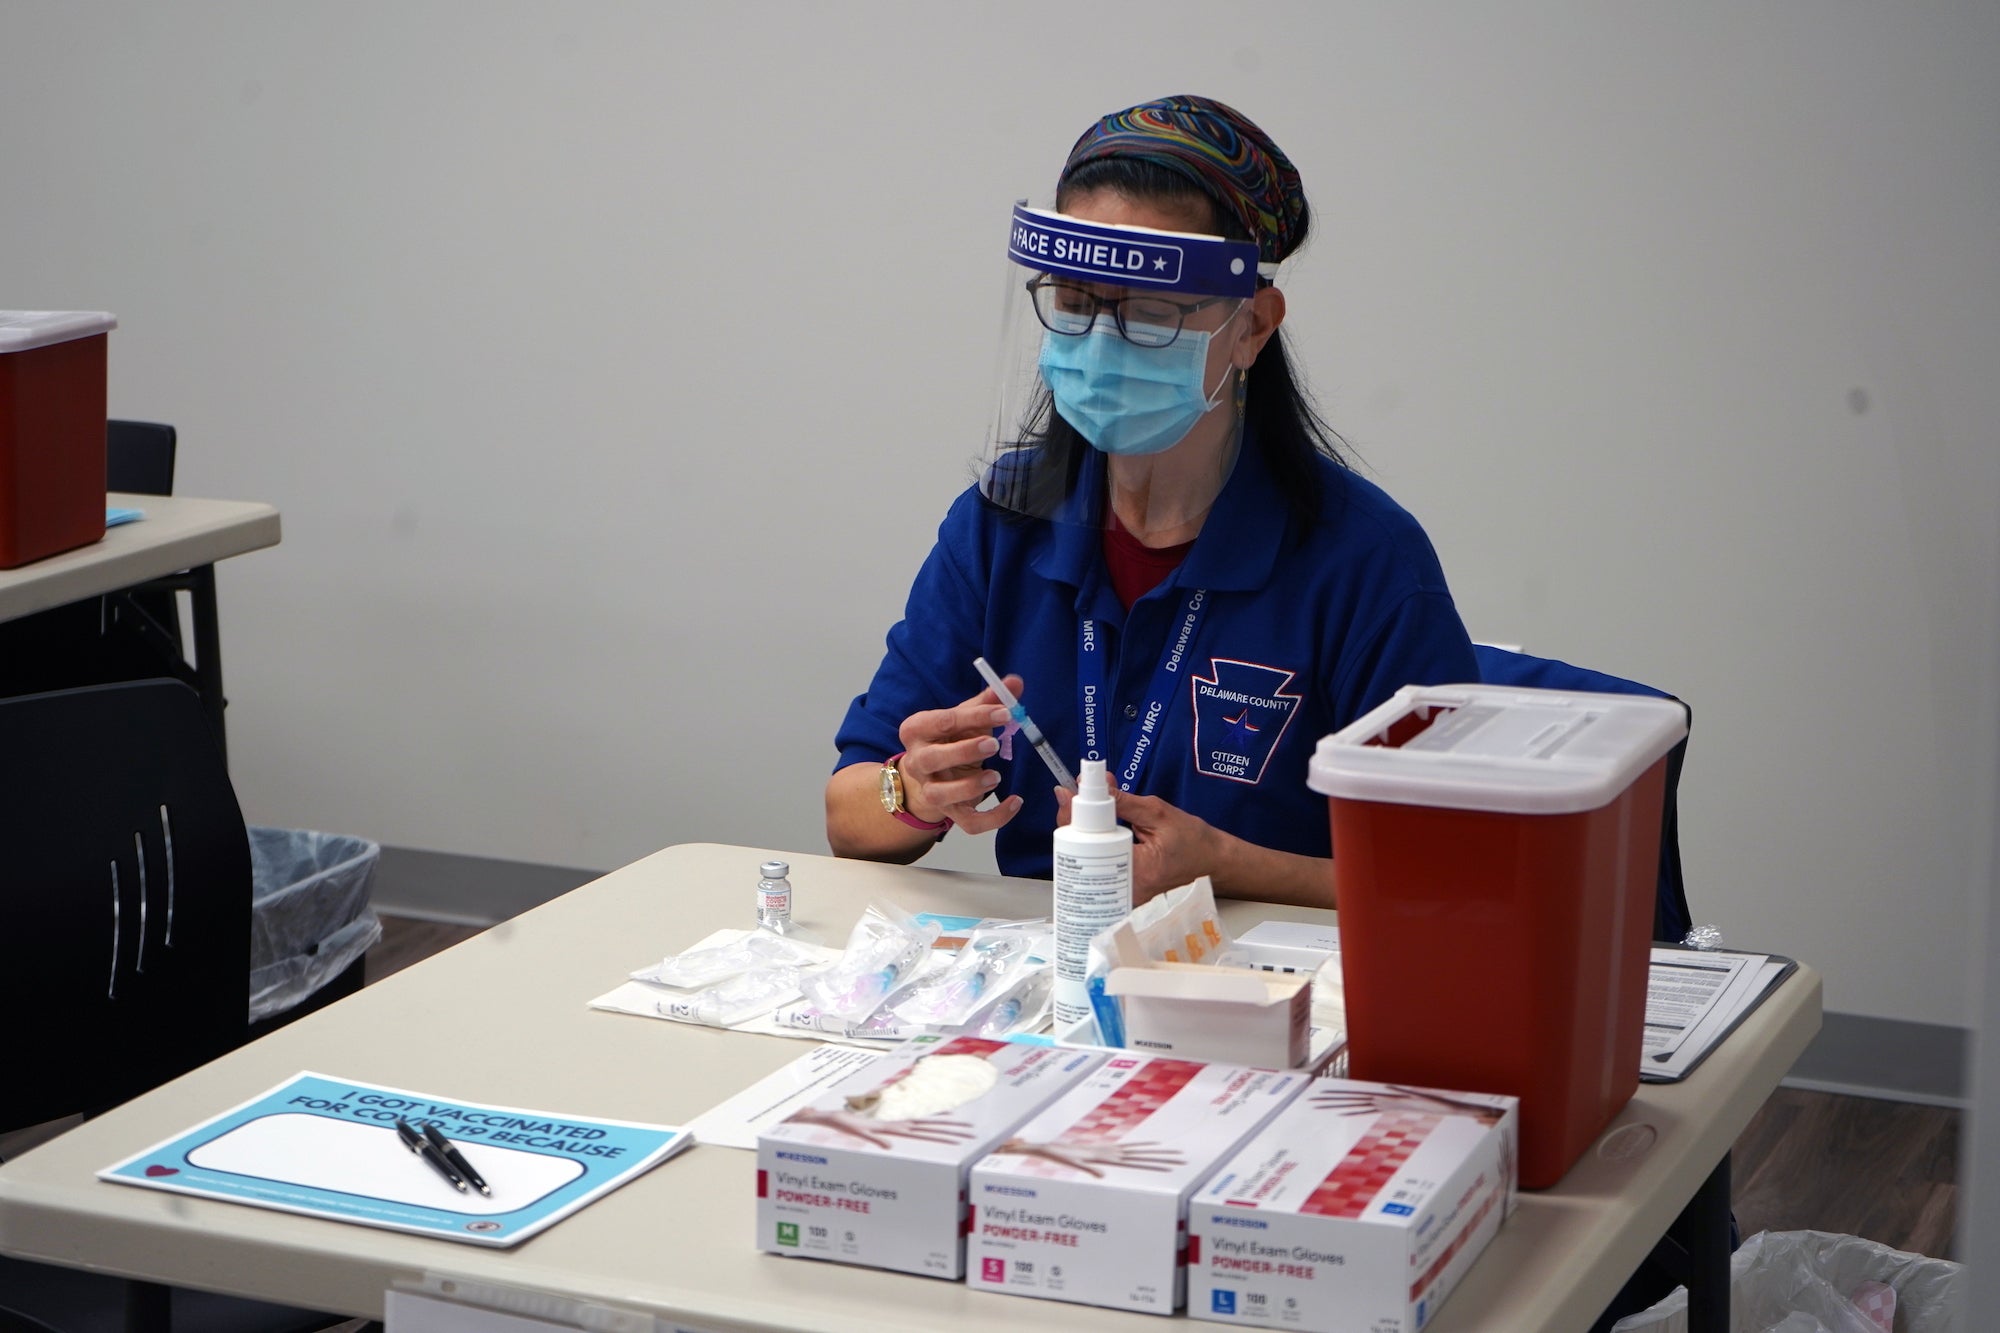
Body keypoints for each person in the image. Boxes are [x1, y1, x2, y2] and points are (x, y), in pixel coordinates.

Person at [827, 95, 1476, 908]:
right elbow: (848, 817)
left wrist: (1226, 864)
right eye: (1074, 301)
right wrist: (913, 791)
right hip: (1043, 982)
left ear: (1251, 330)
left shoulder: (1364, 559)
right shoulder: (1001, 525)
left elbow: (1453, 879)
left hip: (1262, 998)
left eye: (1152, 312)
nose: (1101, 343)